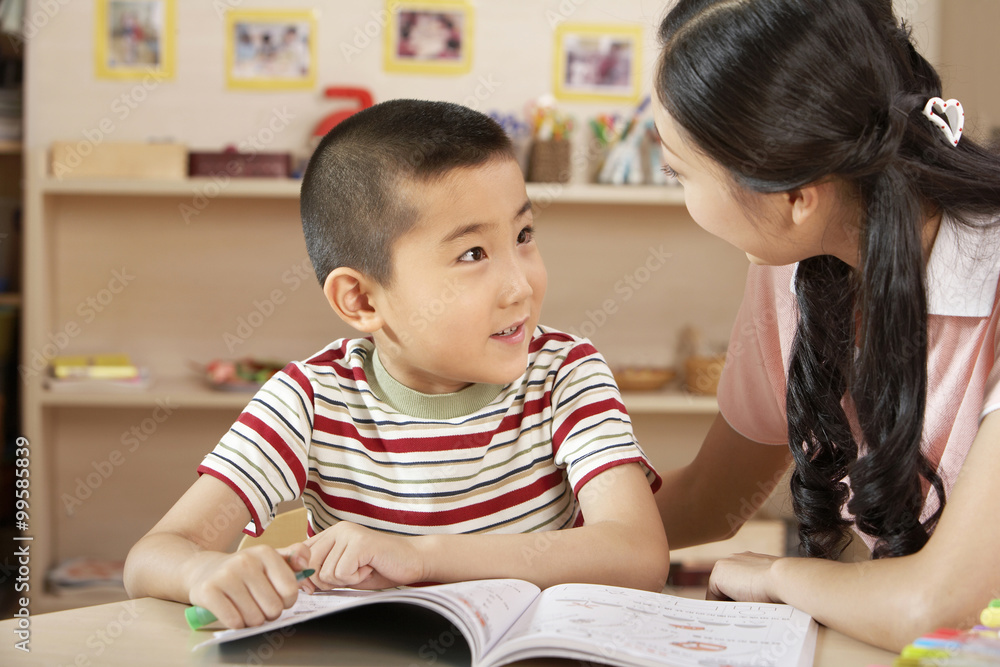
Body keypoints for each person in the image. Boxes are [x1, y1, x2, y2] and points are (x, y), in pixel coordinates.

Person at [123, 99, 669, 629]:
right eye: (473, 254)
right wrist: (205, 571)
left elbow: (636, 551)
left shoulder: (566, 373)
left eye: (523, 236)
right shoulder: (310, 400)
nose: (521, 285)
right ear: (361, 301)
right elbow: (153, 556)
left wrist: (421, 557)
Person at [649, 0, 1000, 652]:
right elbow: (715, 493)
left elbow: (941, 603)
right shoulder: (795, 265)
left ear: (793, 196)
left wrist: (780, 575)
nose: (679, 191)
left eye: (679, 172)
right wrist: (507, 535)